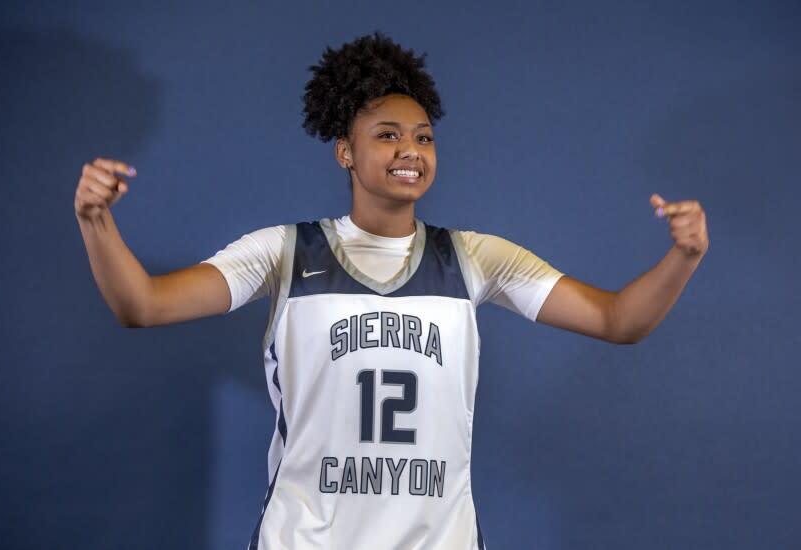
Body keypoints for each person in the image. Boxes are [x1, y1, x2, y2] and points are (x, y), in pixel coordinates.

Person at [74, 33, 709, 550]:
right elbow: (143, 305)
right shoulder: (283, 252)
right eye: (388, 134)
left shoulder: (474, 257)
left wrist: (683, 256)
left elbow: (620, 319)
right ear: (344, 151)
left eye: (424, 137)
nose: (411, 149)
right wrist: (95, 221)